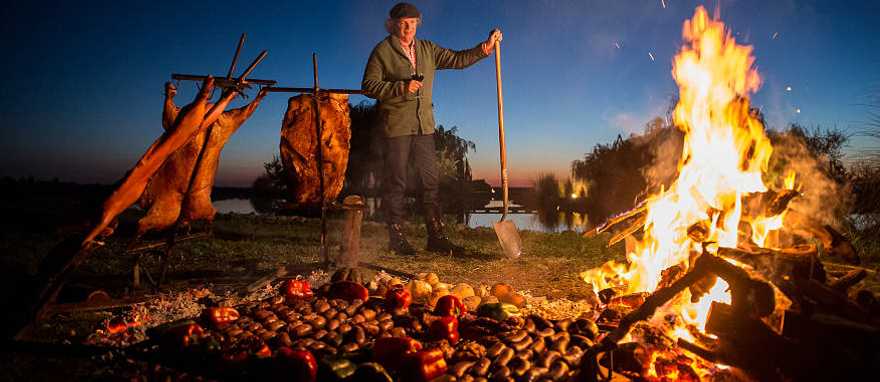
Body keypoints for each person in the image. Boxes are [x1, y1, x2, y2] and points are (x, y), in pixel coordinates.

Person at [362, 2, 502, 256]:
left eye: (412, 23)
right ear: (393, 24)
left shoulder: (427, 49)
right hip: (396, 127)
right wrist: (401, 88)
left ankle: (436, 237)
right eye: (403, 23)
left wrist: (485, 48)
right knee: (396, 183)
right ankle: (397, 239)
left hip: (424, 126)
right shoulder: (382, 51)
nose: (407, 28)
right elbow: (369, 86)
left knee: (431, 182)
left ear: (417, 24)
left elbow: (457, 59)